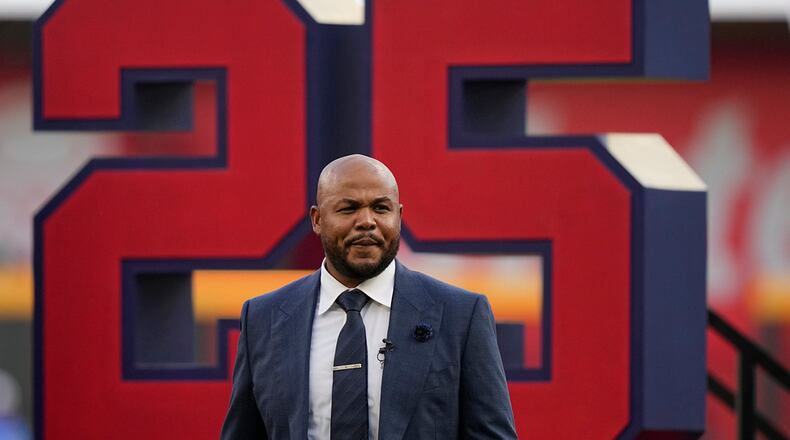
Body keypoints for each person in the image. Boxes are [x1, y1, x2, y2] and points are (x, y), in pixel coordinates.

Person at [221, 154, 516, 439]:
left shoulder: (461, 315)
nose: (366, 221)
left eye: (381, 208)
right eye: (348, 208)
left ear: (399, 216)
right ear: (317, 219)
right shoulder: (263, 317)